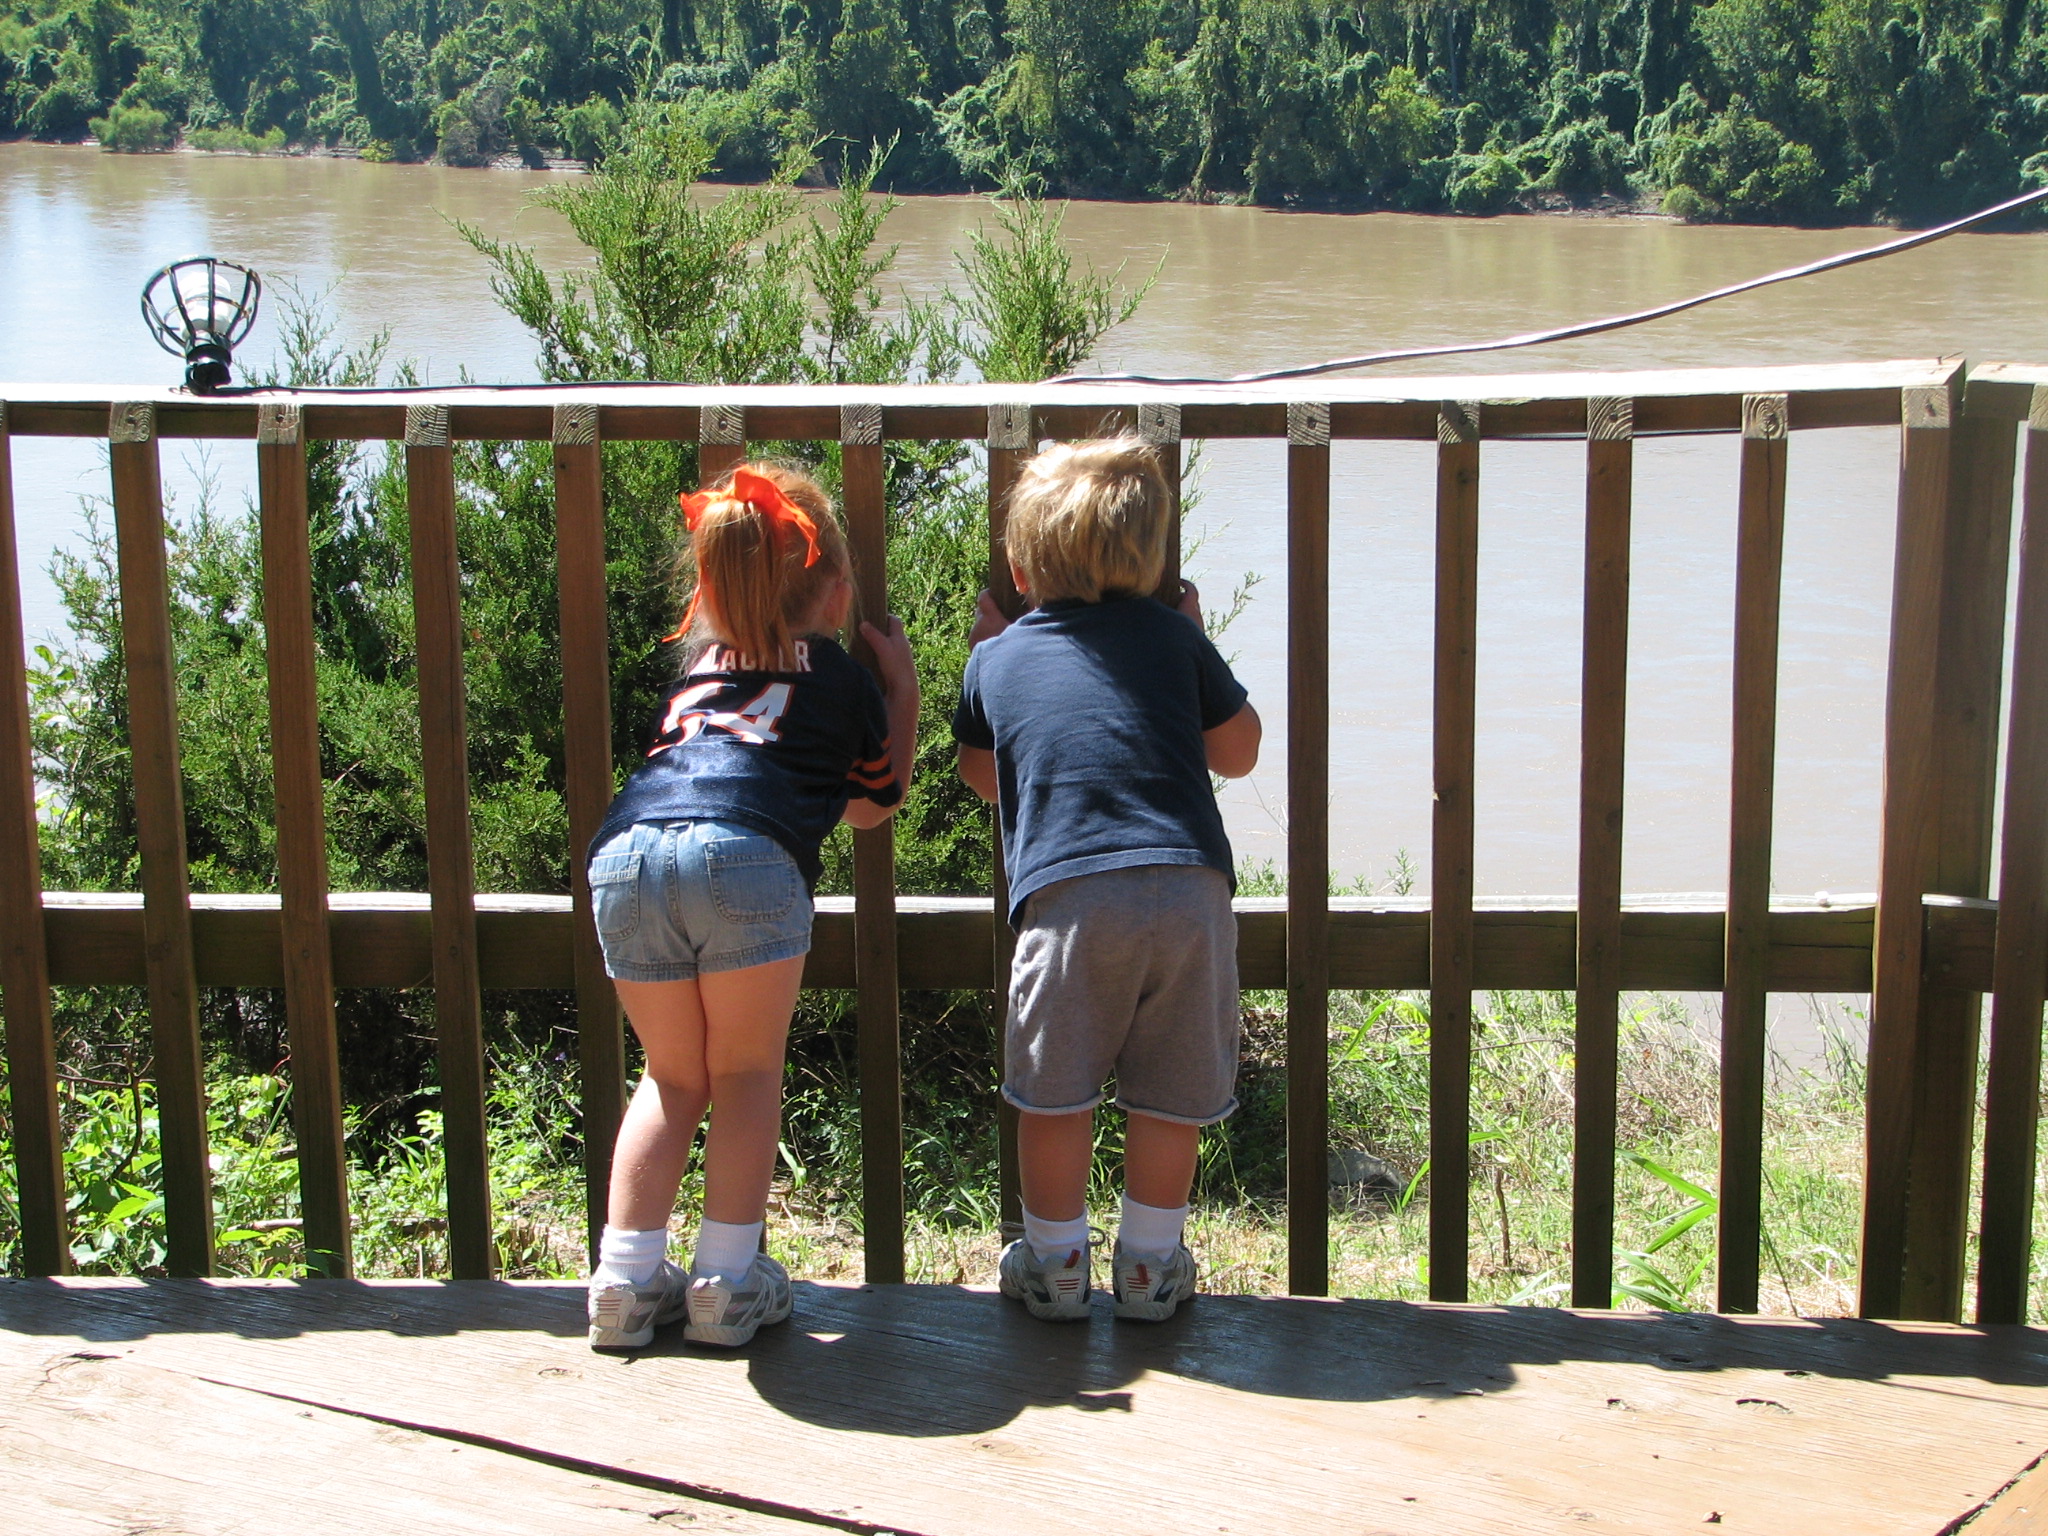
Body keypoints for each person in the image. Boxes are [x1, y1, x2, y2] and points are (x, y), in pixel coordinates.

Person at [584, 462, 918, 1350]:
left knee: (670, 1075)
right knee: (741, 1076)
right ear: (837, 590)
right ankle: (727, 1281)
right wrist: (903, 699)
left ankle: (623, 1279)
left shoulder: (696, 672)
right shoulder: (841, 678)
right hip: (747, 856)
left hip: (626, 858)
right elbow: (872, 802)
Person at [953, 435, 1261, 1322]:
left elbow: (986, 778)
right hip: (1190, 892)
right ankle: (1150, 1270)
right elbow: (1238, 754)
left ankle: (1053, 1267)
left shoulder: (998, 658)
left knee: (1054, 1093)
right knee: (1169, 1093)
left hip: (1071, 899)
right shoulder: (1174, 638)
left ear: (1019, 563)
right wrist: (1198, 648)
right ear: (1155, 561)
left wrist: (991, 663)